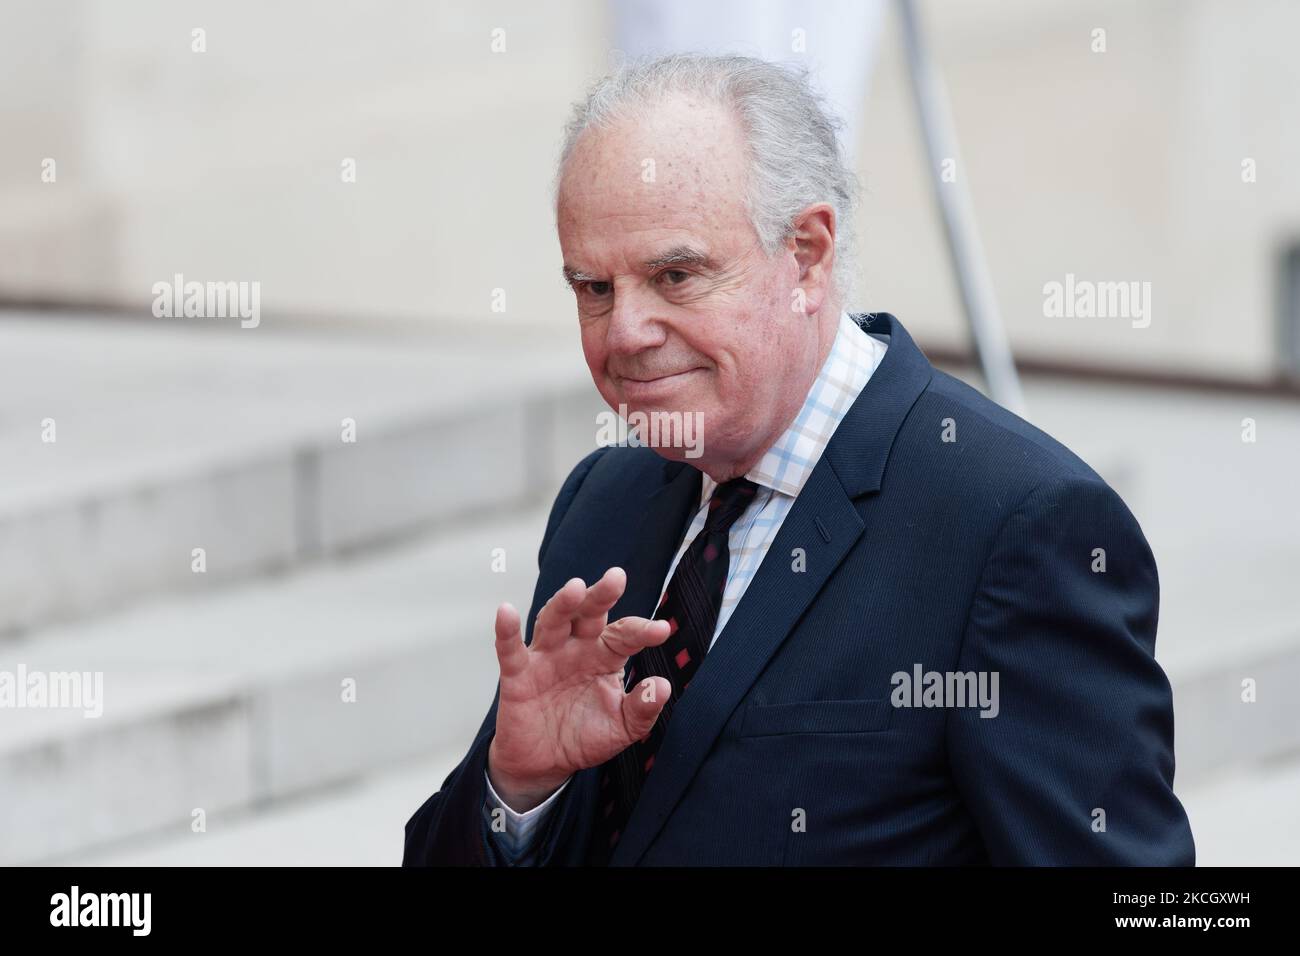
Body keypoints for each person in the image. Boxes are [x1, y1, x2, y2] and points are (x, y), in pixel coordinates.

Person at [402, 54, 1195, 866]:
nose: (624, 333)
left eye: (675, 276)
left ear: (808, 257)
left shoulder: (1017, 524)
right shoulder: (607, 497)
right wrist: (519, 787)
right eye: (593, 288)